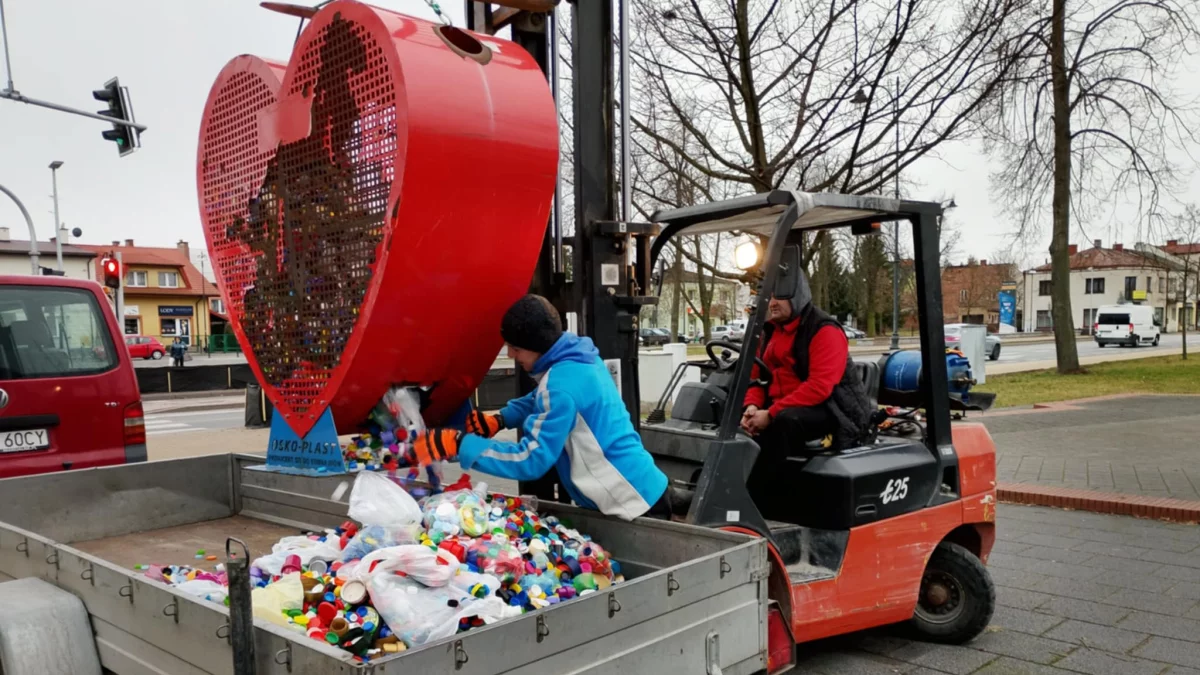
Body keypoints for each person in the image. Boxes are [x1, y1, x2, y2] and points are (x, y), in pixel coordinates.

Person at [409, 294, 670, 521]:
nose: (511, 355)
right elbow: (540, 397)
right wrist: (501, 419)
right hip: (641, 487)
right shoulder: (579, 359)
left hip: (630, 501)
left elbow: (530, 460)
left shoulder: (560, 387)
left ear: (537, 346)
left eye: (515, 348)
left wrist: (460, 444)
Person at [740, 269, 874, 518]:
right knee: (719, 410)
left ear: (797, 293)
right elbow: (758, 376)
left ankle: (759, 506)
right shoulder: (770, 331)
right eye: (768, 296)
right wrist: (751, 407)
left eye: (778, 295)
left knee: (784, 424)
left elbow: (819, 387)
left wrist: (771, 413)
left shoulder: (824, 330)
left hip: (834, 409)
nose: (771, 302)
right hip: (783, 407)